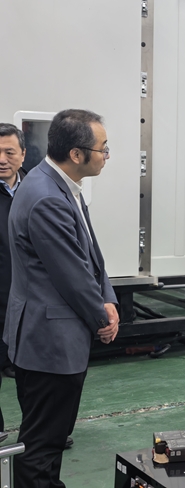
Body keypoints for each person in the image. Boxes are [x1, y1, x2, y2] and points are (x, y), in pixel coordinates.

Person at [4, 109, 119, 487]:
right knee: (43, 443)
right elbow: (72, 275)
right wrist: (102, 319)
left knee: (50, 437)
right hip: (49, 342)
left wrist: (109, 298)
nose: (106, 155)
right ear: (76, 153)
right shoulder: (46, 198)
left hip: (49, 337)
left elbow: (91, 255)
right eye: (103, 148)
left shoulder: (58, 184)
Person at [0, 123, 26, 439]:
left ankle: (41, 430)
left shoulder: (36, 190)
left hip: (27, 301)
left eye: (9, 152)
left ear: (23, 154)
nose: (2, 159)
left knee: (32, 373)